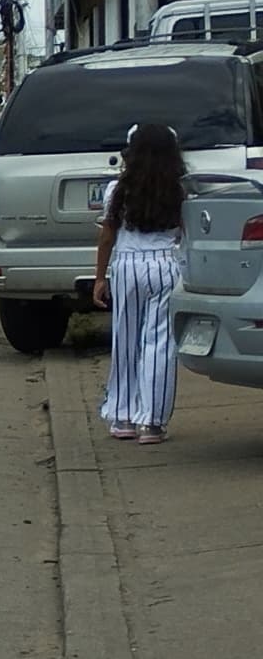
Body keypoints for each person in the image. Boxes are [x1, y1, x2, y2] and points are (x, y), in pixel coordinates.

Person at [93, 123, 188, 444]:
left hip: (127, 267)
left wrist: (99, 278)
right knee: (160, 343)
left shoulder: (117, 190)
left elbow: (107, 236)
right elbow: (186, 235)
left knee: (125, 339)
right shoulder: (180, 190)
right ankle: (153, 422)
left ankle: (123, 417)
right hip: (166, 266)